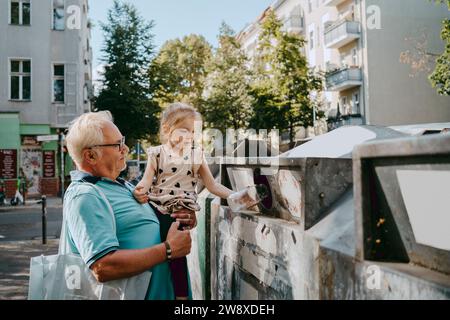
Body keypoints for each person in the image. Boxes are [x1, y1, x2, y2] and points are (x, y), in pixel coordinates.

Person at [64, 111, 195, 300]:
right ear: (91, 156)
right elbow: (103, 267)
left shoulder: (121, 185)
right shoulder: (85, 195)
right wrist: (168, 249)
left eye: (122, 141)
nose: (125, 148)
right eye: (118, 144)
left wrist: (181, 216)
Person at [133, 102, 235, 300]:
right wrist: (140, 191)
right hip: (157, 207)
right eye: (185, 130)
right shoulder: (156, 153)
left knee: (177, 257)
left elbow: (212, 185)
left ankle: (181, 297)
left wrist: (233, 196)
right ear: (167, 129)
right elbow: (146, 180)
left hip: (180, 210)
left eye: (194, 131)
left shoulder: (196, 156)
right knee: (156, 250)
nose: (190, 136)